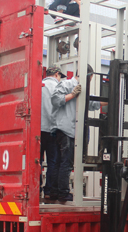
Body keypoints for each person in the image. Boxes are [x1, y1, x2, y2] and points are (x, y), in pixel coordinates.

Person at [51, 65, 104, 203]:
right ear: (88, 75)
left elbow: (91, 104)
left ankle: (56, 191)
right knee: (66, 162)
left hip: (73, 130)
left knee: (64, 162)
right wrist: (72, 95)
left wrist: (108, 99)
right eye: (90, 78)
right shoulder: (67, 84)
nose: (90, 81)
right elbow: (55, 100)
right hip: (66, 129)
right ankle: (62, 192)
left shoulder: (84, 89)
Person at [40, 66, 64, 202]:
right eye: (60, 76)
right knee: (53, 162)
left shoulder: (39, 86)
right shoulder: (58, 87)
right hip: (53, 130)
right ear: (56, 74)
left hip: (38, 129)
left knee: (37, 161)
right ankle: (48, 191)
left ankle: (36, 189)